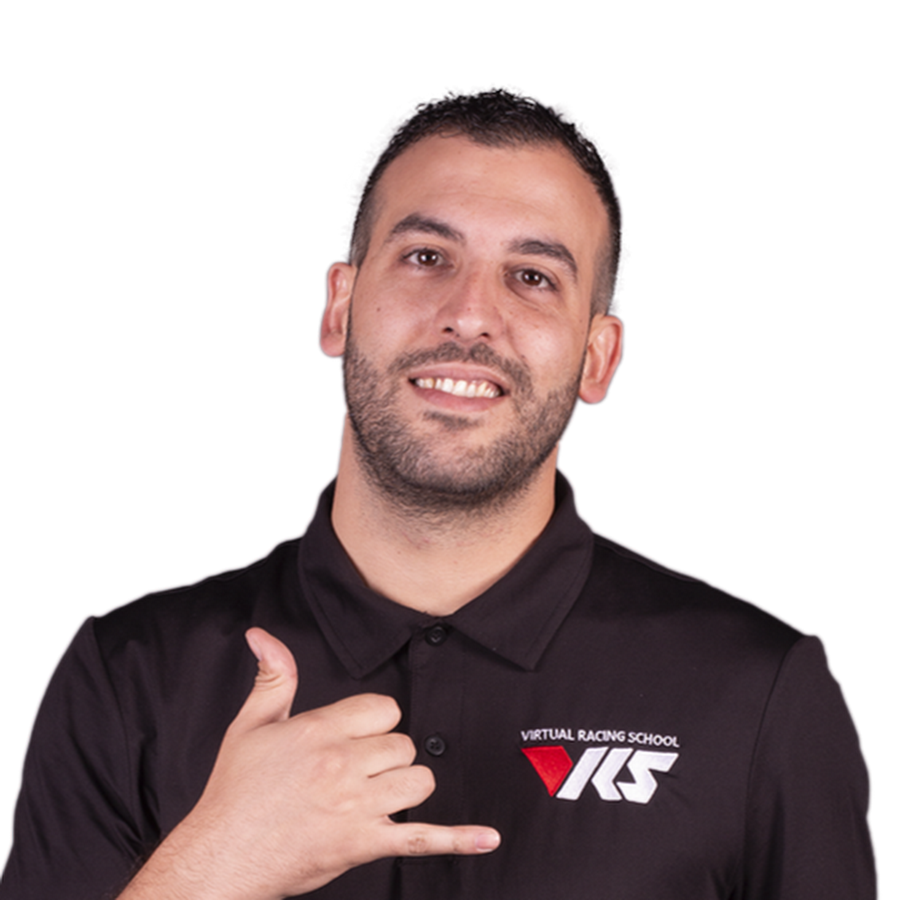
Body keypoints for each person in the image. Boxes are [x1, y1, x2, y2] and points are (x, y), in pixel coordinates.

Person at [1, 85, 875, 899]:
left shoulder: (760, 693)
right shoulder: (128, 675)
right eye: (426, 257)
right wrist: (219, 862)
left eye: (532, 276)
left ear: (598, 357)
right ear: (338, 307)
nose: (469, 314)